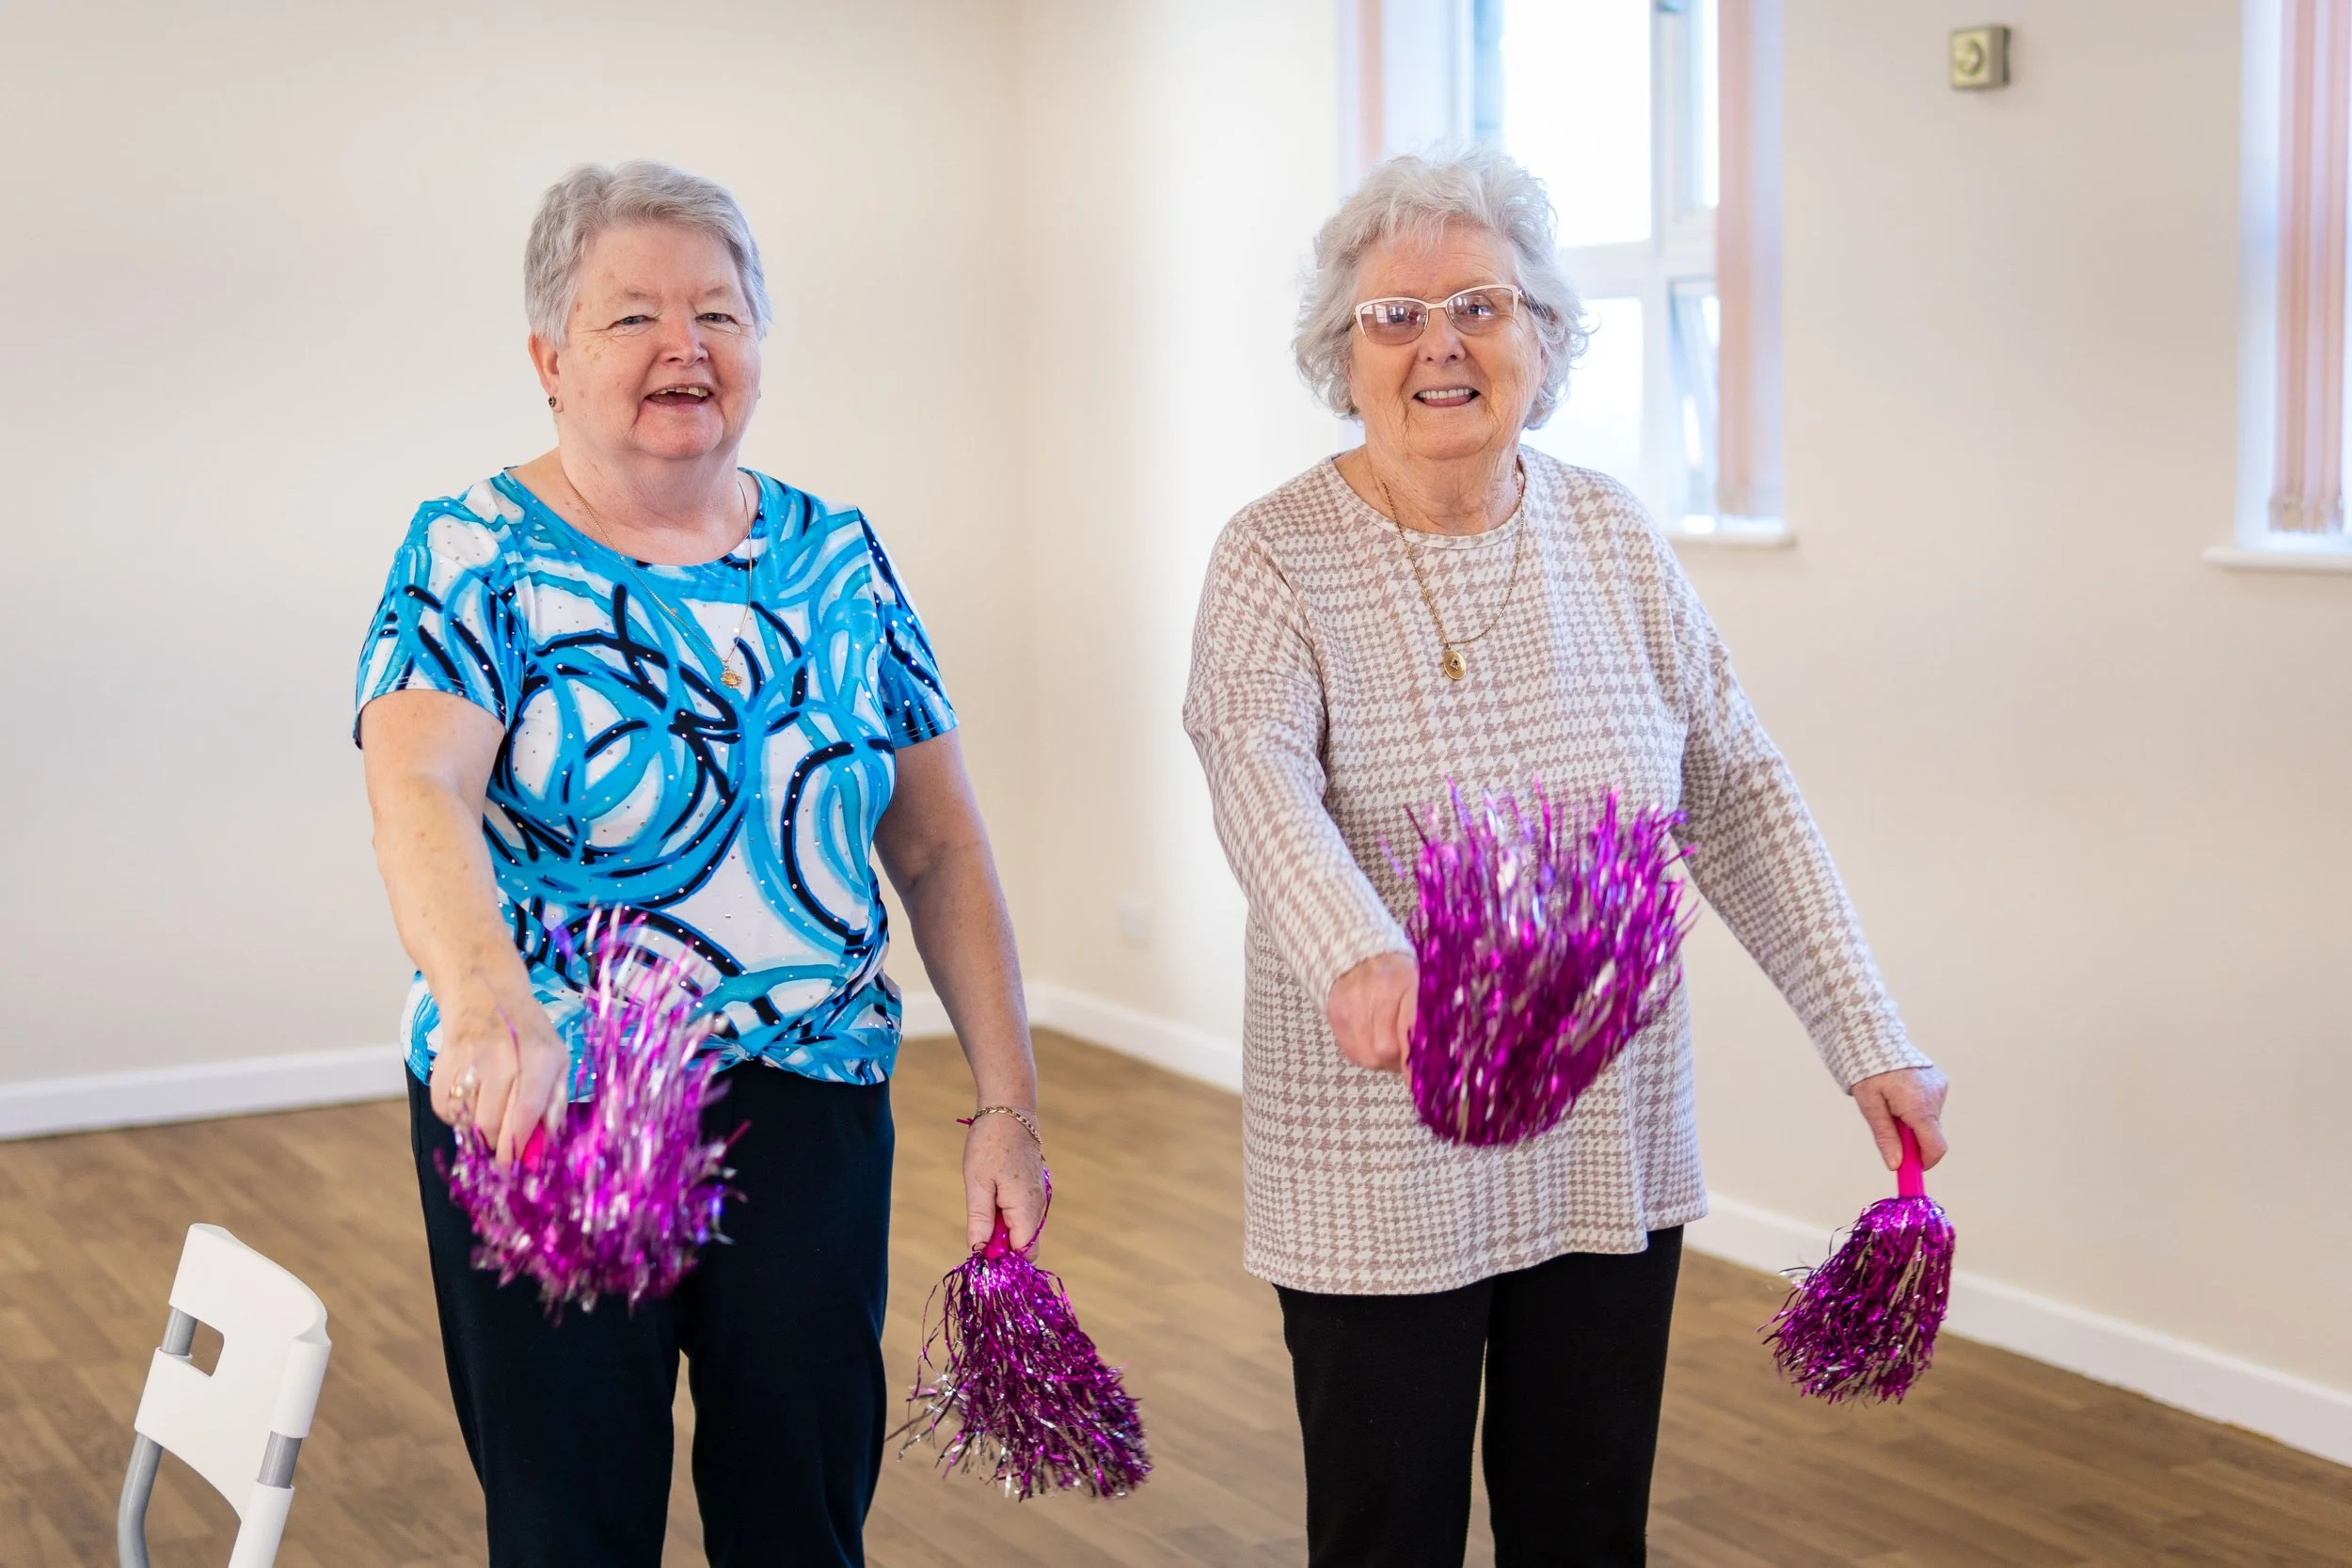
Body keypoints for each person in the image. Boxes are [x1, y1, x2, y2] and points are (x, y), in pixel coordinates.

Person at [1182, 148, 1952, 1567]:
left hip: (1608, 1132)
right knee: (1386, 1531)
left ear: (1546, 333)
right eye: (1394, 317)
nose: (1441, 345)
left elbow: (1736, 784)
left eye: (1481, 303)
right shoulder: (1274, 552)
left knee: (1588, 1526)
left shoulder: (1609, 529)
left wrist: (1869, 1034)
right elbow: (1253, 764)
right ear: (1338, 358)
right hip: (1383, 1144)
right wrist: (1357, 947)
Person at [355, 161, 1044, 1568]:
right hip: (560, 1100)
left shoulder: (838, 555)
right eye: (634, 319)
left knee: (801, 1510)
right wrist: (485, 993)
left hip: (810, 1092)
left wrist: (1007, 1102)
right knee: (571, 1522)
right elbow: (416, 781)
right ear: (549, 358)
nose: (687, 347)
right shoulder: (473, 552)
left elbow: (938, 835)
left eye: (720, 313)